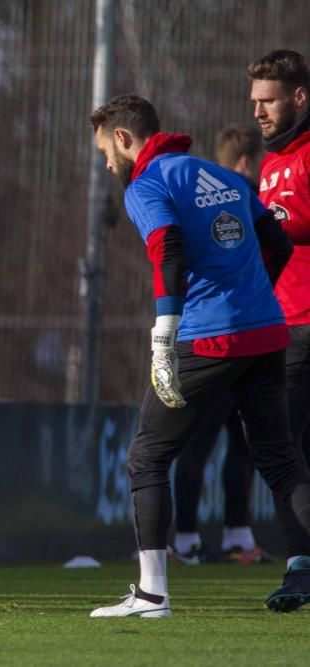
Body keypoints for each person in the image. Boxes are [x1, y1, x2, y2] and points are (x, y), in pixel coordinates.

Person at [86, 94, 310, 618]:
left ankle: (151, 595)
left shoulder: (147, 183)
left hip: (207, 337)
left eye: (104, 152)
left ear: (124, 138)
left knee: (147, 456)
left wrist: (164, 333)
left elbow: (167, 248)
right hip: (267, 332)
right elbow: (275, 243)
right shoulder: (221, 175)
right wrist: (253, 299)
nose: (106, 164)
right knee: (280, 459)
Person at [170, 123, 269, 565]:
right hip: (248, 332)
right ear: (247, 163)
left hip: (205, 333)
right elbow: (276, 251)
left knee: (197, 441)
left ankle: (188, 540)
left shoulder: (196, 199)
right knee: (244, 443)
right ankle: (235, 536)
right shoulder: (248, 198)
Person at [249, 49, 310, 612]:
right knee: (283, 448)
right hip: (285, 326)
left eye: (268, 101)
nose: (259, 113)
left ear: (299, 97)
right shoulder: (271, 162)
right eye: (254, 103)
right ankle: (300, 564)